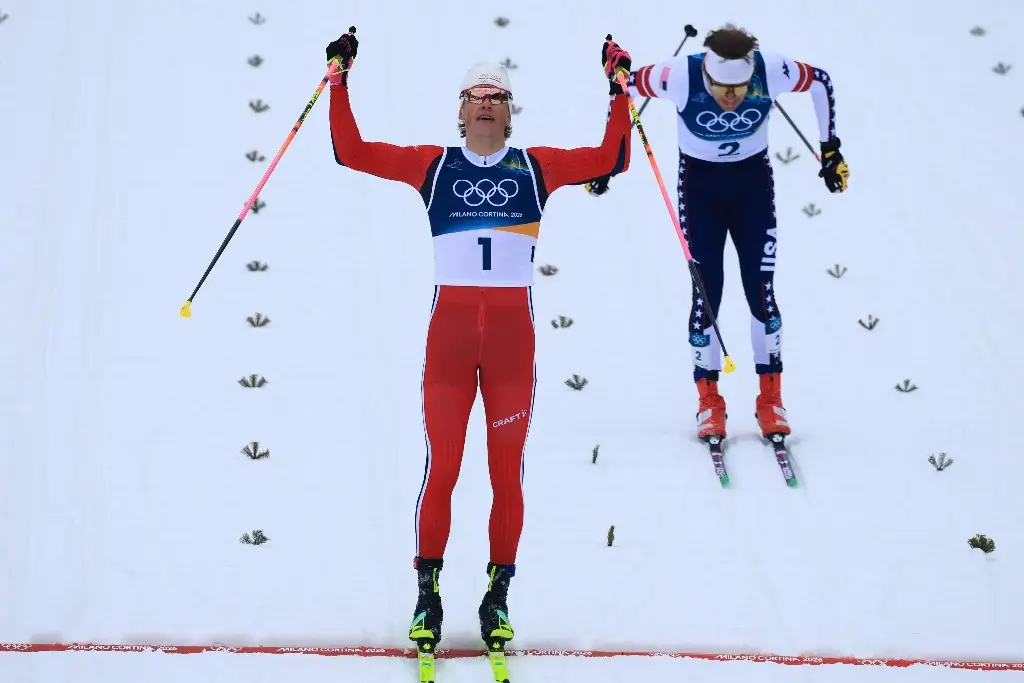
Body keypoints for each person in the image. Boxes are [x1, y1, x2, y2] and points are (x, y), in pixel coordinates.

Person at [324, 28, 632, 653]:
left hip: (512, 345)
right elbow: (349, 150)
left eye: (498, 95)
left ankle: (498, 597)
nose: (487, 102)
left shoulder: (536, 167)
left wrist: (617, 86)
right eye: (476, 95)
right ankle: (427, 595)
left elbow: (610, 158)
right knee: (443, 466)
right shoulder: (433, 167)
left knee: (505, 477)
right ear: (460, 110)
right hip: (451, 342)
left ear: (510, 111)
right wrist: (339, 78)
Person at [586, 23, 848, 443]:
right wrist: (608, 152)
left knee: (761, 292)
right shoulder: (678, 74)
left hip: (752, 190)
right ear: (706, 74)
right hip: (700, 191)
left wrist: (830, 148)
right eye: (722, 88)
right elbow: (625, 89)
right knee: (707, 295)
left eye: (741, 88)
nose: (731, 97)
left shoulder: (771, 69)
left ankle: (771, 401)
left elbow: (820, 81)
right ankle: (709, 402)